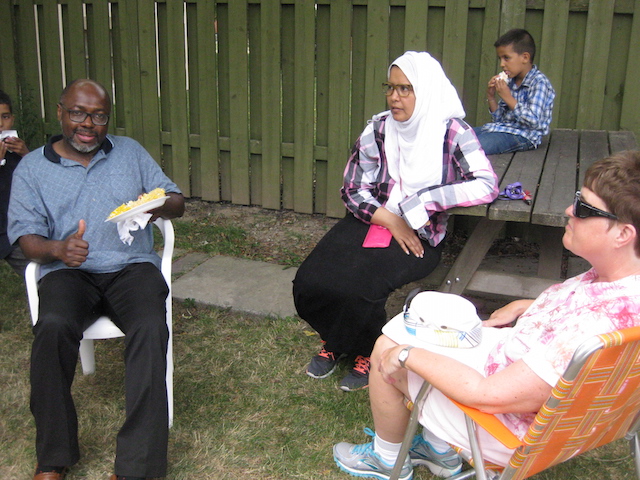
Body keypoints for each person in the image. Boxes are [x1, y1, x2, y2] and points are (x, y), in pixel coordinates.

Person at [332, 150, 640, 480]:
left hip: (503, 430)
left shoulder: (592, 325)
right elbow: (576, 318)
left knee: (387, 348)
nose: (569, 210)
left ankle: (387, 458)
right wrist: (529, 305)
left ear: (623, 234)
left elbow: (488, 396)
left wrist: (406, 355)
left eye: (583, 208)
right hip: (548, 403)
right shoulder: (620, 287)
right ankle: (437, 451)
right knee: (433, 330)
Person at [8, 79, 185, 480]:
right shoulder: (32, 168)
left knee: (150, 327)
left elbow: (177, 202)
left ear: (108, 119)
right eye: (78, 113)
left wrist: (154, 205)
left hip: (131, 267)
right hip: (68, 273)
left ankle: (138, 466)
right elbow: (26, 239)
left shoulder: (130, 152)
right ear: (60, 113)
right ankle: (53, 456)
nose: (88, 124)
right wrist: (58, 249)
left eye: (99, 116)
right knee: (52, 327)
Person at [293, 51, 499, 392]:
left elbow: (486, 184)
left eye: (405, 89)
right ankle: (336, 338)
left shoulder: (451, 131)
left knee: (362, 287)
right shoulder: (379, 127)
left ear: (426, 90)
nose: (394, 97)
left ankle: (367, 350)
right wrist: (390, 218)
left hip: (420, 233)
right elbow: (352, 187)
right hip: (372, 218)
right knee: (310, 280)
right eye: (390, 87)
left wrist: (422, 202)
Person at [473, 28, 555, 155]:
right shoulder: (511, 81)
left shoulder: (539, 83)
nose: (502, 64)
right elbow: (499, 119)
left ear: (525, 57)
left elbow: (534, 121)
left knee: (473, 146)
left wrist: (508, 97)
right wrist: (491, 97)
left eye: (506, 58)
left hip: (524, 136)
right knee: (459, 137)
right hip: (501, 129)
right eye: (500, 59)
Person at [0, 89, 30, 276]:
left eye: (5, 117)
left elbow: (40, 179)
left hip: (18, 224)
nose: (0, 124)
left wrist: (26, 154)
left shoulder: (15, 152)